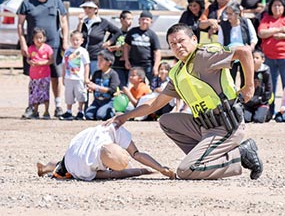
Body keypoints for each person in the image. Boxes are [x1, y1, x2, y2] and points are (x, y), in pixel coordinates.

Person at [106, 23, 263, 180]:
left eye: (181, 40)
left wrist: (249, 86)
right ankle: (207, 160)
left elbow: (244, 52)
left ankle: (241, 154)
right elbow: (155, 104)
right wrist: (124, 117)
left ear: (194, 39)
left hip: (226, 125)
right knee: (167, 120)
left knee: (186, 170)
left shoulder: (205, 54)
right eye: (173, 44)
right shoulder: (177, 72)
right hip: (205, 126)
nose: (178, 46)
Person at [36, 124, 175, 181]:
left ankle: (44, 167)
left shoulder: (114, 128)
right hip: (75, 159)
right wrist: (144, 171)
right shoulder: (84, 165)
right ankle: (45, 168)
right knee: (63, 168)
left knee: (63, 162)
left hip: (80, 144)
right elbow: (117, 172)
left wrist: (160, 169)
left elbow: (135, 155)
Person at [17, 0, 68, 118]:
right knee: (34, 78)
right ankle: (32, 106)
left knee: (55, 76)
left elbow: (64, 22)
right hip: (33, 46)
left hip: (54, 44)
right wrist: (22, 42)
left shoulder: (56, 1)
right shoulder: (27, 3)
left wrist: (65, 41)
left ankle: (58, 106)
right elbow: (20, 24)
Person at [77, 0, 120, 76]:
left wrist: (110, 42)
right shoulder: (84, 22)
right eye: (85, 8)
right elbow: (78, 35)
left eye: (90, 8)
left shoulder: (102, 22)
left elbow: (118, 31)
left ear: (96, 9)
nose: (87, 10)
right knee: (81, 80)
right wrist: (80, 22)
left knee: (94, 79)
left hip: (95, 57)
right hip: (82, 56)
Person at [218, 0, 258, 83]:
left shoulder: (246, 22)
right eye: (227, 13)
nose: (228, 16)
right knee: (230, 79)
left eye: (230, 14)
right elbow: (220, 42)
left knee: (246, 79)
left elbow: (253, 37)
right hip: (230, 55)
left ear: (237, 13)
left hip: (245, 54)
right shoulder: (223, 25)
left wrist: (251, 47)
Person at [123, 10, 162, 84]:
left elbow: (157, 51)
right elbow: (126, 47)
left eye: (147, 20)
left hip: (148, 64)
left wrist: (156, 67)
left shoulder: (152, 35)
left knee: (152, 84)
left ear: (151, 21)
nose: (144, 21)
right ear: (139, 20)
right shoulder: (132, 32)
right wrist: (126, 60)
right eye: (143, 19)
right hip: (134, 64)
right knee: (133, 83)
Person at [60, 30, 90, 121]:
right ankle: (69, 111)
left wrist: (86, 77)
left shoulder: (83, 51)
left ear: (82, 41)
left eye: (77, 40)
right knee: (69, 95)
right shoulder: (67, 51)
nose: (75, 42)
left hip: (79, 78)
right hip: (69, 77)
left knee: (80, 94)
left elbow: (86, 65)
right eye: (73, 40)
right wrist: (63, 76)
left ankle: (80, 111)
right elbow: (64, 64)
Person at [26, 27, 54, 119]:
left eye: (40, 37)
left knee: (45, 93)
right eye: (36, 38)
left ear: (44, 38)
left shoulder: (47, 48)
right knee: (34, 94)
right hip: (34, 76)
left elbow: (51, 60)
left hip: (44, 75)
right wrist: (30, 62)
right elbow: (28, 58)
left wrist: (41, 63)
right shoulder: (31, 48)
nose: (38, 40)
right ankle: (35, 111)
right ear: (33, 39)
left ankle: (46, 111)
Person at [85, 50, 120, 121]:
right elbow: (93, 84)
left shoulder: (113, 74)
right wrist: (90, 87)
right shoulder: (96, 73)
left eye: (101, 60)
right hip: (97, 101)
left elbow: (112, 90)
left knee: (100, 116)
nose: (98, 63)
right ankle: (99, 110)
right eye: (98, 60)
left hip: (108, 101)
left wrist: (96, 87)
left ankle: (112, 111)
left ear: (108, 62)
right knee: (88, 115)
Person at [243, 50, 273, 123]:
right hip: (249, 102)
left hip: (261, 102)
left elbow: (269, 88)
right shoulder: (245, 69)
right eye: (252, 57)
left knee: (258, 119)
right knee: (245, 119)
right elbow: (243, 85)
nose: (254, 60)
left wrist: (261, 99)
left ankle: (267, 113)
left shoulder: (266, 70)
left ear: (263, 60)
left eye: (257, 58)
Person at [107, 10, 133, 88]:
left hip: (128, 64)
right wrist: (116, 48)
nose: (130, 21)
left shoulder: (131, 34)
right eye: (128, 19)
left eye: (132, 19)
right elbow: (107, 48)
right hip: (116, 64)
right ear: (121, 20)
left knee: (126, 86)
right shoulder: (116, 33)